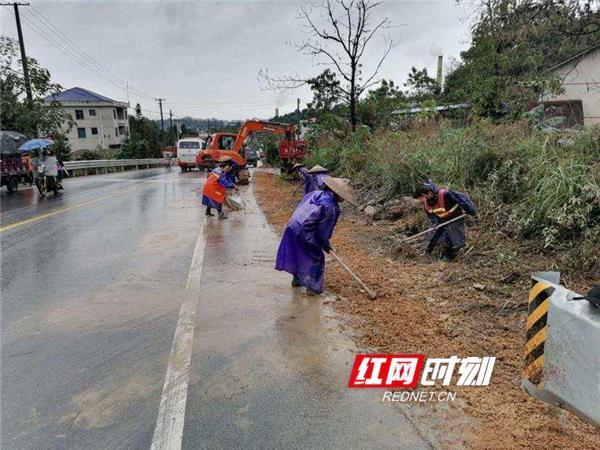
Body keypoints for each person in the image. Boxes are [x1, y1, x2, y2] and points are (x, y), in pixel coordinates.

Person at [275, 176, 354, 295]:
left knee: (298, 252)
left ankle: (297, 280)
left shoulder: (315, 194)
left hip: (292, 225)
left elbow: (301, 208)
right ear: (338, 194)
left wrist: (323, 242)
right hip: (305, 230)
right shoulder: (331, 206)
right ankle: (313, 289)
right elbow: (324, 230)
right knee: (317, 258)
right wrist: (325, 244)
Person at [414, 180, 477, 261]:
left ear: (430, 192)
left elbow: (462, 199)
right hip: (441, 220)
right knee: (433, 237)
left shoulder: (445, 194)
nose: (422, 199)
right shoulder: (426, 203)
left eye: (428, 194)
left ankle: (451, 256)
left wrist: (470, 211)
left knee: (456, 241)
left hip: (455, 218)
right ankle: (428, 253)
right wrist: (435, 222)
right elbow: (430, 214)